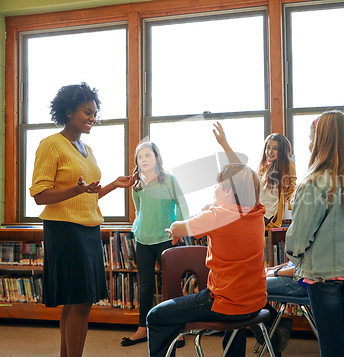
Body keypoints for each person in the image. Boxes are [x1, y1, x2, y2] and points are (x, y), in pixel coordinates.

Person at [29, 83, 136, 357]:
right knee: (79, 301)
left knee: (78, 302)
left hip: (88, 228)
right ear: (68, 112)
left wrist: (114, 184)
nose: (92, 118)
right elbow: (40, 195)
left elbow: (88, 196)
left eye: (94, 113)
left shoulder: (87, 149)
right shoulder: (51, 145)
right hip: (65, 230)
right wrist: (76, 189)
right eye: (87, 112)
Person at [147, 163, 267, 357]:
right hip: (254, 303)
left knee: (156, 315)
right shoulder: (257, 212)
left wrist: (209, 212)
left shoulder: (218, 216)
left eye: (218, 185)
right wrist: (214, 210)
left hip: (226, 303)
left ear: (228, 191)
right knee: (235, 318)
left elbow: (177, 228)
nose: (215, 189)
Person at [285, 110, 344, 357]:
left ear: (321, 140)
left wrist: (293, 259)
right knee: (340, 334)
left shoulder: (314, 183)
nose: (309, 143)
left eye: (312, 136)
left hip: (323, 274)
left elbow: (298, 237)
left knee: (331, 342)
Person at [121, 142, 188, 347]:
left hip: (167, 238)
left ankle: (177, 330)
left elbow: (182, 204)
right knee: (146, 286)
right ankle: (143, 328)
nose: (144, 159)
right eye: (140, 157)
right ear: (137, 162)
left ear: (157, 158)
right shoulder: (137, 185)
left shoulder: (169, 180)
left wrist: (181, 229)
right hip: (143, 239)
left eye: (148, 155)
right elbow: (139, 210)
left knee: (170, 285)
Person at [213, 122, 296, 227]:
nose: (270, 151)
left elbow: (291, 191)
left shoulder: (287, 165)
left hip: (266, 215)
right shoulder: (261, 169)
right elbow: (240, 170)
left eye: (275, 148)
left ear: (282, 151)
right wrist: (223, 142)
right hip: (255, 210)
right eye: (268, 147)